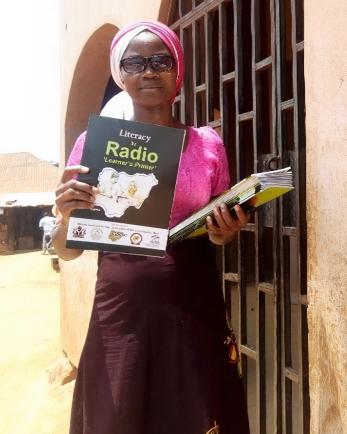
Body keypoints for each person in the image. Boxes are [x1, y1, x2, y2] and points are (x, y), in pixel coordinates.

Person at [53, 20, 250, 434]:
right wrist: (67, 217)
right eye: (135, 62)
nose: (148, 71)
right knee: (120, 412)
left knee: (197, 408)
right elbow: (69, 251)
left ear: (177, 70)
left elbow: (217, 226)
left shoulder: (206, 145)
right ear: (119, 73)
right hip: (122, 306)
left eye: (160, 60)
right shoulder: (95, 145)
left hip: (192, 300)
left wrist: (224, 230)